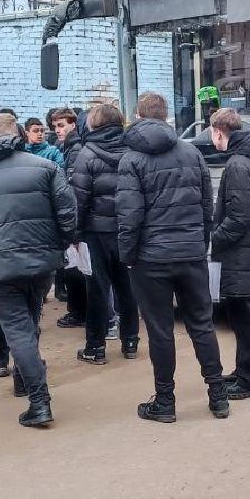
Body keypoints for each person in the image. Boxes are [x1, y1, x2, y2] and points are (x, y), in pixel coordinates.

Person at [0, 113, 78, 429]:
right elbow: (68, 214)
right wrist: (57, 246)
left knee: (19, 330)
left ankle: (39, 401)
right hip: (40, 262)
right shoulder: (46, 167)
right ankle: (25, 380)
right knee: (29, 321)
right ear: (18, 133)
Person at [117, 91, 229, 423]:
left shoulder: (131, 159)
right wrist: (200, 242)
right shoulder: (192, 152)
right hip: (191, 253)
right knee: (202, 325)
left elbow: (129, 217)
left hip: (151, 259)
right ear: (166, 116)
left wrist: (128, 256)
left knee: (160, 331)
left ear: (138, 116)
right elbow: (207, 205)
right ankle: (218, 396)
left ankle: (165, 401)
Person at [208, 109, 250, 400]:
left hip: (241, 255)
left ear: (219, 132)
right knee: (245, 316)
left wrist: (213, 241)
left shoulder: (237, 165)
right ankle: (245, 370)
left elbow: (237, 219)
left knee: (246, 318)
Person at [69, 102, 140, 363]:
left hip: (95, 233)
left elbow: (79, 200)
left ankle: (95, 347)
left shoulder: (86, 154)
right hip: (125, 230)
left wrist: (74, 235)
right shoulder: (132, 150)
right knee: (127, 288)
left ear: (93, 123)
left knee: (97, 290)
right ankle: (130, 341)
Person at [47, 106, 91, 329]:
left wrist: (73, 227)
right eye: (55, 126)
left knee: (75, 268)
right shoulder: (68, 147)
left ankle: (78, 311)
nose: (58, 130)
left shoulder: (75, 149)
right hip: (77, 218)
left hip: (76, 220)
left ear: (74, 124)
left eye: (62, 125)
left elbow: (75, 188)